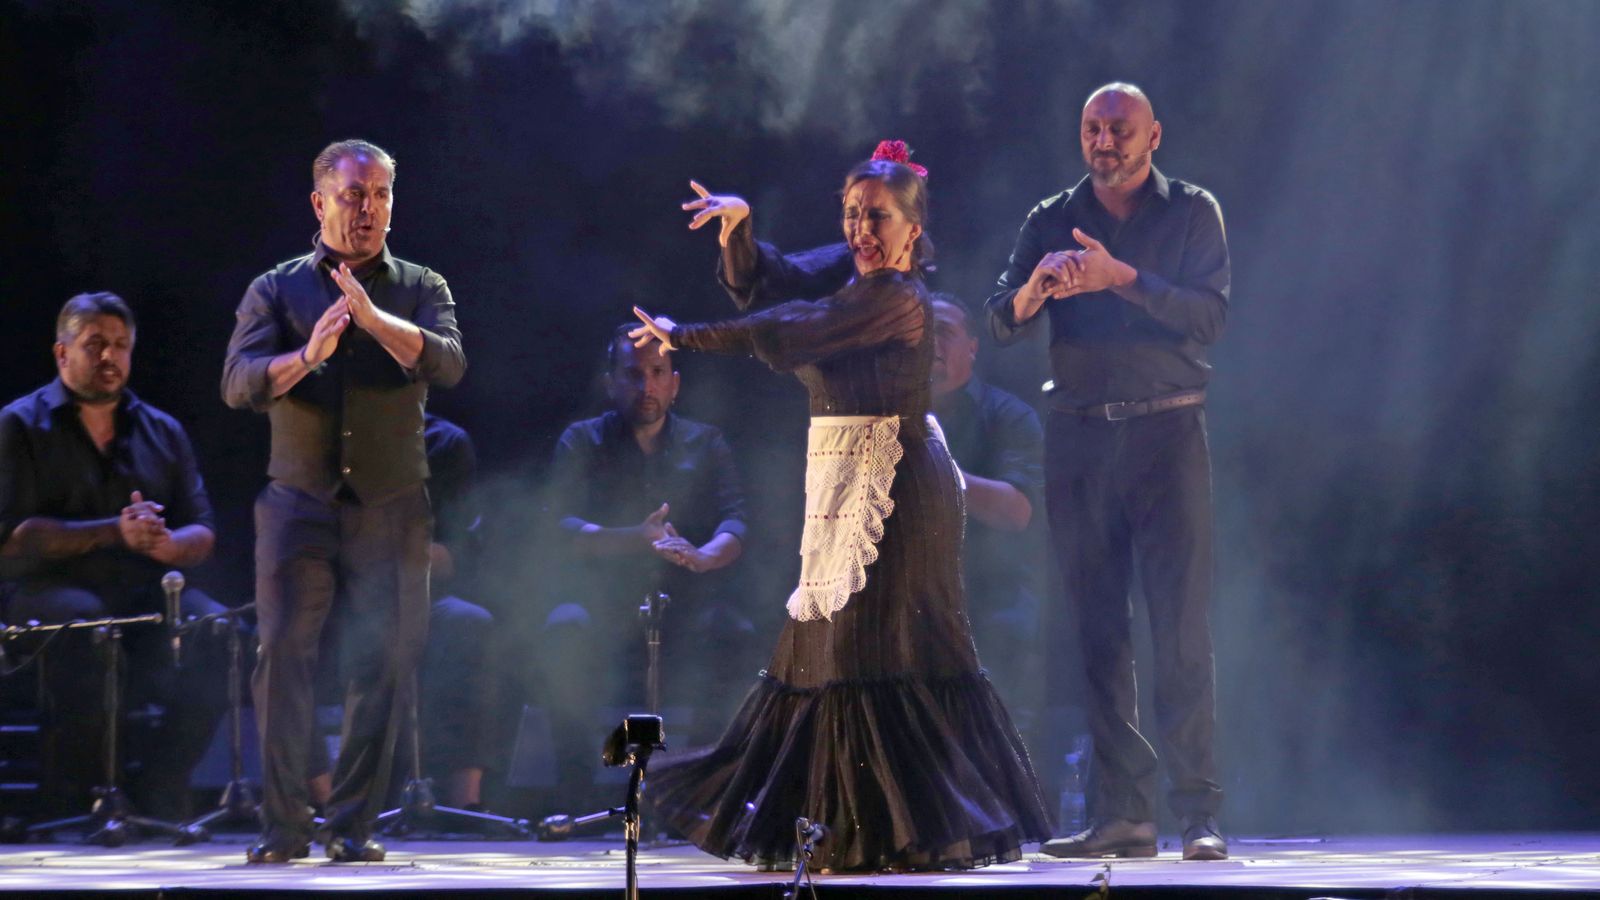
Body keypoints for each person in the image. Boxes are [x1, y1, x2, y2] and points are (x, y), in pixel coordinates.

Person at [630, 144, 1049, 872]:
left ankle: (883, 833)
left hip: (894, 483)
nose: (861, 228)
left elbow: (792, 325)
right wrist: (739, 230)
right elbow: (774, 279)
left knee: (867, 649)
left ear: (913, 228)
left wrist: (685, 336)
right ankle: (845, 826)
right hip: (843, 474)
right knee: (822, 649)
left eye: (877, 216)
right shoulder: (854, 272)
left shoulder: (895, 298)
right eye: (852, 213)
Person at [985, 83, 1230, 861]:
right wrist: (1035, 290)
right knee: (1097, 629)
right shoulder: (1050, 217)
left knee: (1179, 626)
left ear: (1153, 135)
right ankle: (1124, 815)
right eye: (1093, 129)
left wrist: (1119, 277)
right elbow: (999, 318)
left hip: (1167, 430)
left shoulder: (1192, 211)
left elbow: (1209, 316)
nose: (1105, 142)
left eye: (1120, 129)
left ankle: (1198, 815)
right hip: (1081, 437)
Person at [221, 139, 465, 863]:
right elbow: (237, 383)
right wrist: (307, 357)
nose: (370, 209)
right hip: (298, 501)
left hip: (392, 503)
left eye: (381, 194)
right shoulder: (276, 289)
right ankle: (284, 827)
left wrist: (375, 321)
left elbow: (450, 362)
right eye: (355, 194)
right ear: (319, 202)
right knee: (283, 658)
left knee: (385, 660)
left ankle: (352, 827)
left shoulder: (421, 284)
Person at [0, 292, 229, 821]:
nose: (110, 356)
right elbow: (13, 537)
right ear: (62, 353)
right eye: (95, 344)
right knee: (87, 626)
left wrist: (169, 544)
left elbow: (202, 529)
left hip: (144, 591)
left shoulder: (162, 429)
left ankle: (158, 788)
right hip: (45, 591)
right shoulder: (19, 425)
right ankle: (85, 796)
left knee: (219, 631)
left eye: (121, 345)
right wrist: (114, 532)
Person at [538, 326, 750, 810]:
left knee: (730, 632)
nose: (646, 386)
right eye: (633, 374)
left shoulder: (706, 441)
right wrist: (634, 538)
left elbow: (735, 519)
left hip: (685, 603)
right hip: (604, 604)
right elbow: (558, 525)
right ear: (610, 382)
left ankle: (701, 795)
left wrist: (703, 555)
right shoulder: (583, 440)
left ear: (675, 383)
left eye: (657, 373)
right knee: (563, 628)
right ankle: (580, 801)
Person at [927, 295, 1047, 716]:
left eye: (943, 331)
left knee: (994, 735)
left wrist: (937, 471)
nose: (930, 342)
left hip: (992, 604)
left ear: (973, 347)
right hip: (914, 607)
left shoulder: (1010, 416)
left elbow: (1018, 511)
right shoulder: (889, 416)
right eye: (920, 332)